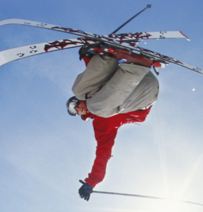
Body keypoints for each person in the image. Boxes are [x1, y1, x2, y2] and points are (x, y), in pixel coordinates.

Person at [67, 44, 160, 201]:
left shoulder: (92, 99)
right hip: (143, 94)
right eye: (73, 110)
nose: (76, 107)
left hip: (139, 75)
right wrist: (92, 181)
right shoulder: (100, 122)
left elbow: (95, 77)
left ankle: (106, 57)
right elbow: (103, 153)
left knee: (78, 90)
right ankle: (135, 66)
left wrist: (88, 56)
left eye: (74, 103)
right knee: (97, 106)